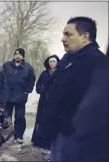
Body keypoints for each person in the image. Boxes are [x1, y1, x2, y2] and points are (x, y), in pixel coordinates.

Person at [40, 16, 107, 161]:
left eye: (68, 34)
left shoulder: (98, 62)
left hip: (79, 140)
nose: (63, 39)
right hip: (60, 133)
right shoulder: (68, 58)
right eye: (63, 34)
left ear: (85, 36)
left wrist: (75, 128)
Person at [2, 48, 36, 144]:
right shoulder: (6, 65)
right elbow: (1, 78)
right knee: (6, 116)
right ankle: (5, 134)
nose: (18, 56)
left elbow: (31, 81)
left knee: (20, 117)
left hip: (21, 97)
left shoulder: (28, 68)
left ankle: (19, 135)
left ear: (23, 56)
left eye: (20, 54)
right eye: (16, 54)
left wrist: (27, 91)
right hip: (8, 96)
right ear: (14, 55)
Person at [31, 55, 60, 150]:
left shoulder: (60, 73)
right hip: (44, 100)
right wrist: (41, 89)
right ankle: (38, 141)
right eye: (50, 61)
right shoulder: (44, 73)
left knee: (51, 120)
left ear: (57, 63)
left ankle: (49, 143)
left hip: (54, 101)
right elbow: (38, 86)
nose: (52, 63)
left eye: (54, 61)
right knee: (41, 120)